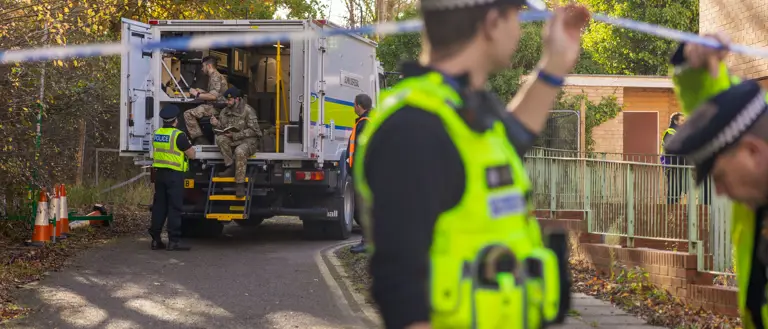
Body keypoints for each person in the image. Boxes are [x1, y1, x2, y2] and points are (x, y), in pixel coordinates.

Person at [352, 0, 590, 327]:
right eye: (516, 15)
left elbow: (510, 138)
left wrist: (556, 63)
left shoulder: (459, 107)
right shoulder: (414, 129)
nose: (521, 29)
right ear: (492, 23)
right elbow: (401, 291)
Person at [664, 32, 768, 329]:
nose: (719, 190)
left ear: (752, 152)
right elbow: (721, 110)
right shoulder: (756, 183)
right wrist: (693, 67)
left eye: (719, 176)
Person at [150, 104, 196, 251]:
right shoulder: (179, 135)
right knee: (174, 208)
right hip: (174, 176)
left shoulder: (157, 133)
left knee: (159, 207)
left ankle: (156, 240)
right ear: (176, 120)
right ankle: (174, 241)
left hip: (160, 174)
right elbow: (192, 154)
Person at [212, 87, 262, 198]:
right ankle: (230, 166)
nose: (227, 102)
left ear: (237, 99)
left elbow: (255, 131)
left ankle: (239, 184)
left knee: (240, 151)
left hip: (249, 141)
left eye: (229, 100)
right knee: (220, 139)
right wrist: (216, 124)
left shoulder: (248, 111)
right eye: (226, 100)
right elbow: (222, 128)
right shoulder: (225, 111)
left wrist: (235, 135)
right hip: (233, 139)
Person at [347, 93, 372, 254]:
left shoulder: (365, 124)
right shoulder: (369, 121)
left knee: (364, 208)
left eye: (354, 104)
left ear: (359, 105)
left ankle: (367, 242)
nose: (353, 107)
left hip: (364, 173)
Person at [184, 56, 229, 145]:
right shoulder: (215, 76)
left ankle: (200, 141)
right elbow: (216, 93)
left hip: (217, 108)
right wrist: (203, 92)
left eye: (203, 66)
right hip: (216, 106)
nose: (202, 69)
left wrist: (196, 94)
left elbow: (213, 97)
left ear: (208, 66)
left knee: (188, 114)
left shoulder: (215, 77)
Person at [660, 112, 687, 204]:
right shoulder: (670, 132)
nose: (684, 122)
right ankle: (671, 205)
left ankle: (675, 203)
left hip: (678, 162)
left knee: (678, 184)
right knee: (673, 185)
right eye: (682, 120)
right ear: (676, 121)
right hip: (670, 162)